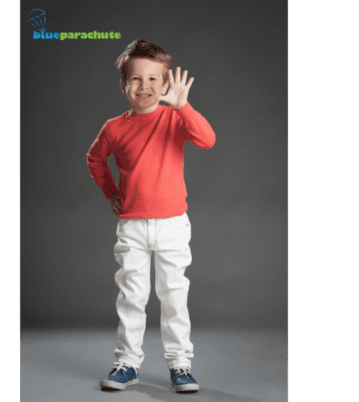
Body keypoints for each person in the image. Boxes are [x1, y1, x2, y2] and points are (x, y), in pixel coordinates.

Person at [86, 38, 216, 394]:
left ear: (165, 83)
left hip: (173, 223)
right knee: (132, 296)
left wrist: (184, 107)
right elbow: (95, 159)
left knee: (174, 296)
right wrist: (111, 192)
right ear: (123, 85)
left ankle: (180, 365)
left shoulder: (175, 118)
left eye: (153, 80)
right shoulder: (114, 127)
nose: (144, 87)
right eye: (136, 80)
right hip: (132, 225)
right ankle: (127, 362)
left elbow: (207, 140)